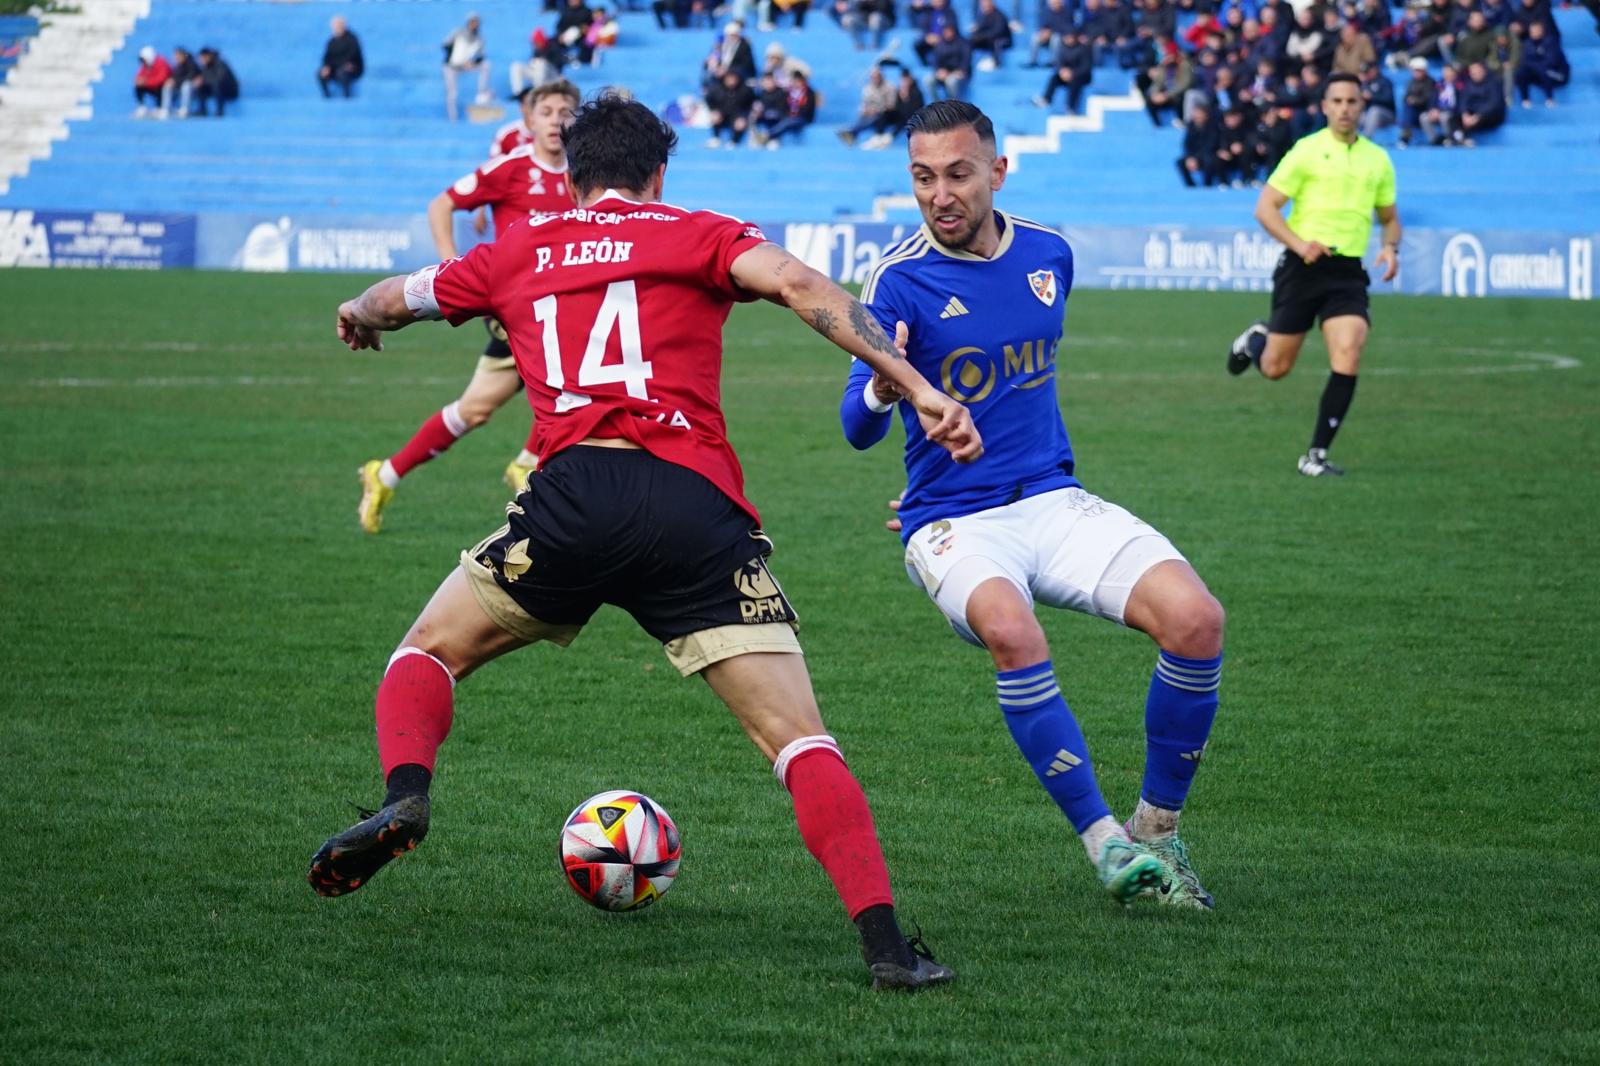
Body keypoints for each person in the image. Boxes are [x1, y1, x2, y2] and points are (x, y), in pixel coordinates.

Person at [311, 92, 981, 992]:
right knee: (798, 741)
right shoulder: (699, 231)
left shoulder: (521, 248)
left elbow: (403, 297)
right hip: (692, 508)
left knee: (425, 651)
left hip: (572, 498)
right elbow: (799, 287)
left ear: (573, 175)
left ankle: (404, 796)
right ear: (659, 173)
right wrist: (915, 384)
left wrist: (357, 309)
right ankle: (887, 949)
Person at [841, 99, 1226, 910]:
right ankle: (1106, 845)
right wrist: (884, 384)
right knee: (1015, 633)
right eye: (921, 177)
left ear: (996, 171)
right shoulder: (898, 280)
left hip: (1053, 499)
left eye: (957, 174)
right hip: (951, 523)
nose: (938, 194)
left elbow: (1021, 389)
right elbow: (854, 428)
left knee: (1196, 619)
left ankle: (1158, 832)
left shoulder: (1050, 253)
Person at [357, 80, 582, 534]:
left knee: (475, 410)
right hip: (517, 309)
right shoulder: (510, 167)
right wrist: (449, 267)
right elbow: (442, 204)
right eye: (548, 111)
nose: (557, 120)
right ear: (530, 120)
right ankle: (528, 463)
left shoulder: (584, 173)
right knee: (573, 385)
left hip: (564, 308)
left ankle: (384, 476)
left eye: (566, 111)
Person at [1227, 71, 1400, 477]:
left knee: (1349, 349)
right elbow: (1265, 208)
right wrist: (1300, 243)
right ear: (1324, 106)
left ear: (1362, 106)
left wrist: (1391, 248)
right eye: (1336, 101)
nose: (1344, 109)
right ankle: (1256, 340)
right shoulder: (1306, 151)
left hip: (1348, 272)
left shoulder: (1378, 159)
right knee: (1275, 368)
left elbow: (1390, 218)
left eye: (1351, 101)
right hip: (1302, 267)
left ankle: (1316, 455)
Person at [442, 13, 492, 122]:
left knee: (486, 65)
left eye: (476, 22)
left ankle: (481, 92)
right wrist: (454, 60)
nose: (474, 24)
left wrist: (471, 62)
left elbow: (481, 56)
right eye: (472, 22)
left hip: (465, 66)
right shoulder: (458, 32)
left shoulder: (479, 39)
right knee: (452, 93)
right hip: (451, 67)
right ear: (468, 22)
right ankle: (452, 119)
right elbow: (445, 45)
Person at [1513, 19, 1567, 107]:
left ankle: (1550, 98)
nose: (1533, 33)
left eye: (1536, 30)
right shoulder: (1527, 43)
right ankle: (1525, 100)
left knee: (1543, 69)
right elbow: (1524, 60)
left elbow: (1552, 61)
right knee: (1521, 72)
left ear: (1542, 30)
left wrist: (1535, 63)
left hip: (1557, 73)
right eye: (1532, 31)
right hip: (1536, 71)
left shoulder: (1551, 42)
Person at [318, 16, 364, 98]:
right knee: (320, 73)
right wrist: (326, 67)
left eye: (339, 25)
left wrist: (343, 64)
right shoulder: (331, 41)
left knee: (343, 72)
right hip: (335, 67)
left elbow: (353, 55)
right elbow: (327, 57)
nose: (336, 28)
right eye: (335, 26)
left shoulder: (352, 38)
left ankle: (347, 96)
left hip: (353, 67)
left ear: (344, 25)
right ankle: (327, 96)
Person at [194, 47, 239, 117]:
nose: (201, 60)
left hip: (230, 90)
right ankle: (202, 110)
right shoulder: (205, 66)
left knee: (216, 86)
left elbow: (220, 79)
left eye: (202, 58)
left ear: (208, 56)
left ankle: (220, 111)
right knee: (200, 86)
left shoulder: (220, 63)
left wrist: (204, 80)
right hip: (217, 89)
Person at [132, 46, 171, 118]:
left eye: (144, 60)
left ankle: (160, 108)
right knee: (138, 86)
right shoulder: (146, 65)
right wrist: (138, 80)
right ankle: (141, 107)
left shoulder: (161, 63)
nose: (143, 62)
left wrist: (146, 82)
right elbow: (139, 76)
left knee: (162, 87)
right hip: (152, 86)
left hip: (161, 87)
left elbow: (161, 79)